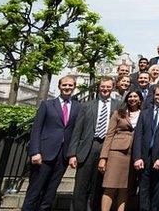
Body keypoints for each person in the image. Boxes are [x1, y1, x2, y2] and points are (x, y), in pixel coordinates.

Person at [22, 76, 81, 211]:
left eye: (70, 85)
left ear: (74, 87)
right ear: (59, 86)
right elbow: (36, 129)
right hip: (44, 154)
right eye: (65, 85)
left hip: (63, 156)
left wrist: (72, 154)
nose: (67, 87)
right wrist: (35, 151)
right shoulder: (47, 104)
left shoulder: (78, 107)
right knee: (34, 191)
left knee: (50, 192)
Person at [69, 77, 120, 211]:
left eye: (108, 86)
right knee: (81, 186)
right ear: (99, 87)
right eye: (103, 86)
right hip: (88, 147)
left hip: (107, 148)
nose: (105, 89)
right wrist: (72, 154)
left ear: (113, 87)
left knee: (99, 186)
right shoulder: (86, 105)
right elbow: (77, 131)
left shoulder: (118, 106)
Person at [132, 84, 159, 211]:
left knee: (157, 192)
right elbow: (138, 136)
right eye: (157, 94)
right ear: (153, 95)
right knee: (143, 191)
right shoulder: (145, 113)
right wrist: (137, 157)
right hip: (144, 158)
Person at [98, 90, 143, 211]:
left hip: (134, 154)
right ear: (126, 99)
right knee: (110, 186)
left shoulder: (144, 114)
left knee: (125, 188)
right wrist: (103, 157)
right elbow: (109, 134)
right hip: (117, 153)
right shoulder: (118, 113)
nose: (132, 98)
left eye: (135, 96)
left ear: (140, 99)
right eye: (130, 96)